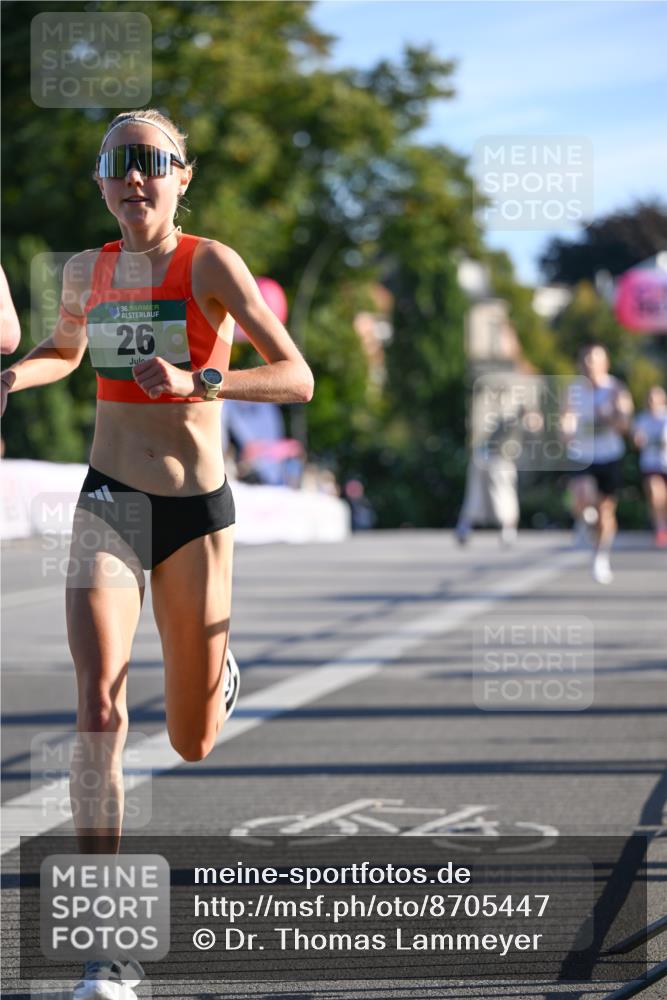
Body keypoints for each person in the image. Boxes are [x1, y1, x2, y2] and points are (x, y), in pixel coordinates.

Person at [0, 108, 314, 1000]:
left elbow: (297, 375)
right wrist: (11, 377)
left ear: (182, 176)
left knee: (192, 740)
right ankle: (110, 948)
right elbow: (64, 352)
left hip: (195, 516)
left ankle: (214, 676)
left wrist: (200, 380)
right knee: (98, 713)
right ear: (101, 182)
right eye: (118, 161)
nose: (134, 176)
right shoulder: (83, 271)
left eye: (151, 161)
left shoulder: (209, 264)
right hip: (109, 503)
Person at [561, 343, 633, 584]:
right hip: (582, 455)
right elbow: (566, 419)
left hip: (609, 455)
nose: (590, 364)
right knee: (581, 495)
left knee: (606, 513)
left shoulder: (615, 388)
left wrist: (611, 415)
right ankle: (584, 518)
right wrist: (566, 432)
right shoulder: (573, 390)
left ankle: (600, 556)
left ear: (605, 363)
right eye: (586, 359)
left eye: (595, 359)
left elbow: (625, 424)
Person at [633, 386, 667, 548]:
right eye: (650, 399)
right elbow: (637, 440)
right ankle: (660, 528)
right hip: (651, 464)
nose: (652, 402)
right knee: (656, 495)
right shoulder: (642, 419)